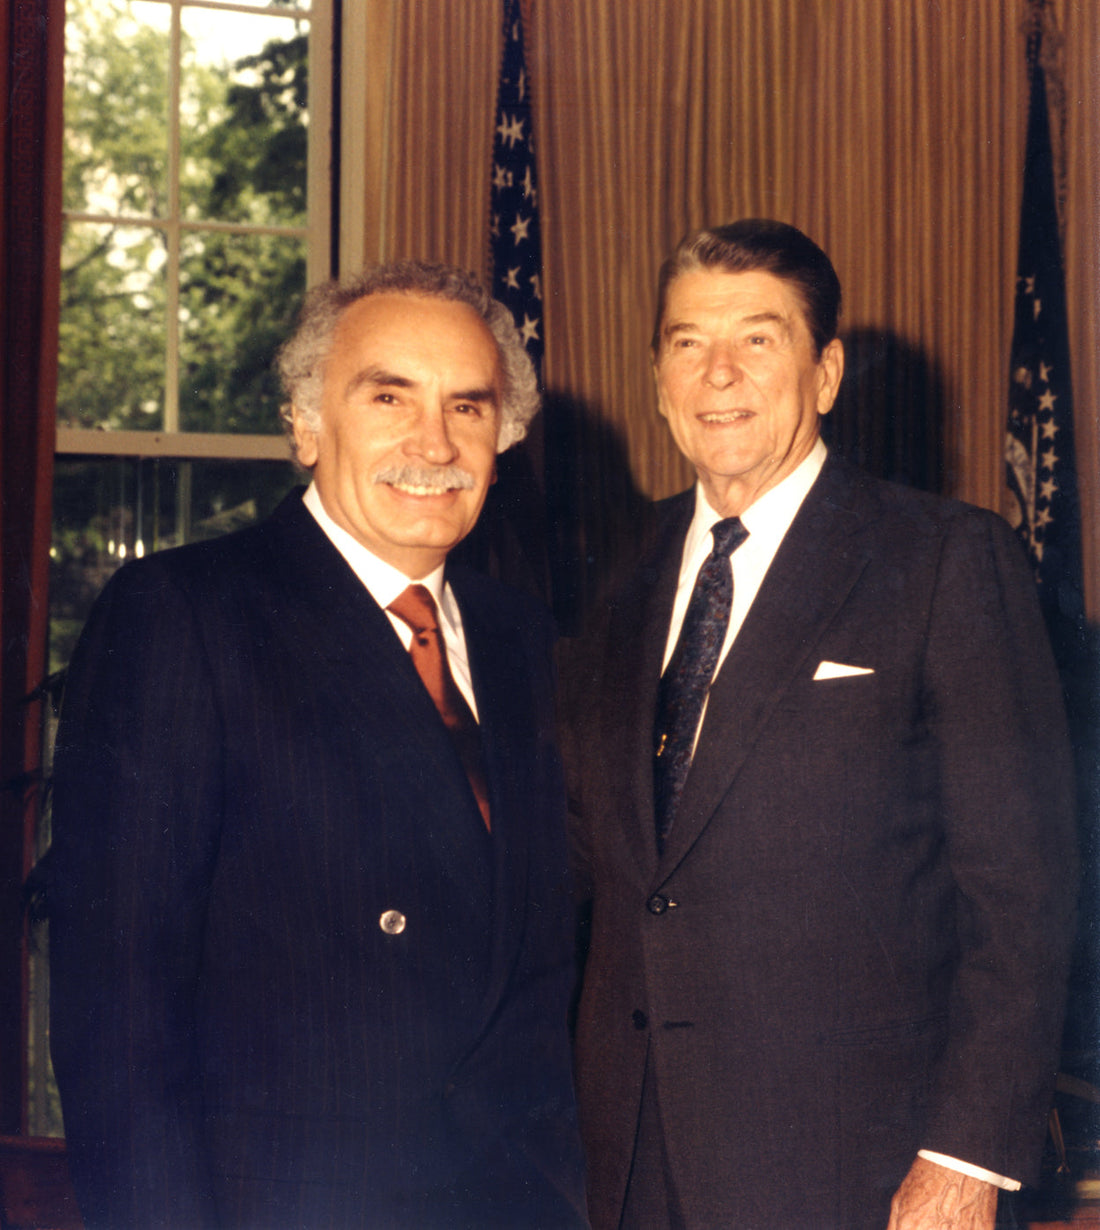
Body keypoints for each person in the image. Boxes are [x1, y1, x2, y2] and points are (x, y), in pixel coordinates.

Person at [49, 261, 588, 1229]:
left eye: (467, 408)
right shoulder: (184, 616)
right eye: (389, 396)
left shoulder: (527, 644)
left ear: (502, 443)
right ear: (306, 425)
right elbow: (118, 1013)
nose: (433, 443)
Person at [565, 220, 1077, 1230]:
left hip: (860, 1170)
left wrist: (964, 1160)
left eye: (756, 340)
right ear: (658, 378)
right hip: (624, 1166)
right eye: (685, 343)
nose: (717, 375)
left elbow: (1022, 893)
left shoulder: (941, 562)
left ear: (826, 371)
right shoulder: (610, 580)